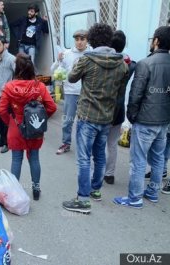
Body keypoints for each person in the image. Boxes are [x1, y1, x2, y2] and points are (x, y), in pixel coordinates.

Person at [62, 23, 129, 213]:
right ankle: (96, 191)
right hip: (106, 118)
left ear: (91, 40)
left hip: (87, 116)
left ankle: (83, 200)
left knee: (84, 158)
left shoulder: (87, 60)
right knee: (99, 155)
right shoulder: (122, 64)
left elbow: (71, 78)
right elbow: (120, 92)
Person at [114, 26, 170, 208]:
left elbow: (136, 94)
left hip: (145, 120)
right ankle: (153, 193)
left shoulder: (146, 64)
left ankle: (135, 198)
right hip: (163, 121)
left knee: (138, 160)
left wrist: (131, 116)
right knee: (158, 157)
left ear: (157, 41)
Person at [0, 53, 57, 200]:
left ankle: (14, 192)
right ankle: (36, 189)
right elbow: (52, 107)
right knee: (34, 158)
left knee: (16, 159)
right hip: (34, 127)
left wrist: (10, 122)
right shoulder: (40, 86)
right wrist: (41, 120)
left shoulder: (9, 87)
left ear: (16, 69)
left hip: (16, 128)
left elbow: (1, 111)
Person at [102, 30, 136, 184]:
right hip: (119, 109)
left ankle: (97, 172)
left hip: (102, 107)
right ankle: (109, 174)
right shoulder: (129, 64)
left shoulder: (105, 61)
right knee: (112, 144)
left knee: (99, 143)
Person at [51, 29, 89, 155]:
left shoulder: (91, 54)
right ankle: (65, 143)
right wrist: (58, 60)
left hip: (86, 93)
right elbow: (53, 70)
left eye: (82, 39)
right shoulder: (66, 54)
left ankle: (84, 146)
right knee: (68, 120)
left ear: (87, 40)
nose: (79, 42)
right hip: (70, 92)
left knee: (85, 122)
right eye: (77, 39)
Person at [0, 37, 16, 154]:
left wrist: (10, 85)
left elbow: (18, 74)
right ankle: (2, 140)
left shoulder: (11, 59)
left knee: (6, 120)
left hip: (7, 95)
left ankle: (7, 143)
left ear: (5, 45)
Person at [10, 4, 49, 68]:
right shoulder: (23, 19)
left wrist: (45, 21)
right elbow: (11, 25)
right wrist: (17, 35)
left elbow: (46, 31)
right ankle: (22, 77)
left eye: (31, 11)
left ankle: (31, 77)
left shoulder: (40, 21)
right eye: (29, 11)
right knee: (21, 63)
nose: (29, 13)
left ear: (36, 13)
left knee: (31, 63)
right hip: (21, 45)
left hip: (32, 46)